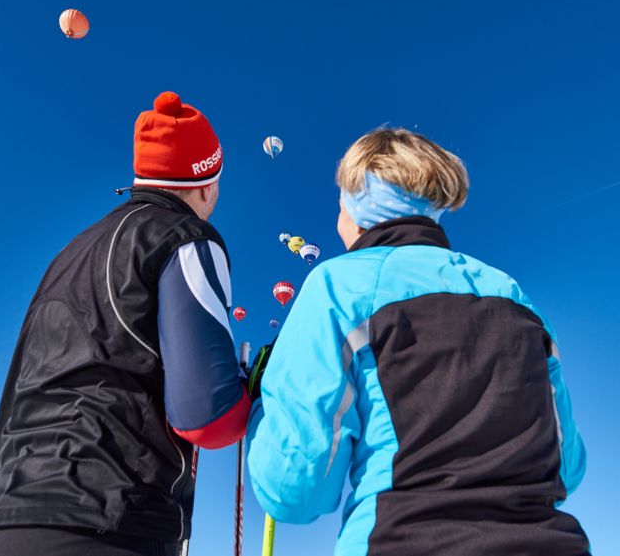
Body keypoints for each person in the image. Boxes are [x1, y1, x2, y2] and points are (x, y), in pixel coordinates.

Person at [246, 128, 590, 555]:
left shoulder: (336, 286)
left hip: (403, 539)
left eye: (339, 203)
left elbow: (295, 488)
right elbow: (567, 467)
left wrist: (262, 405)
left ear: (356, 206)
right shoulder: (510, 292)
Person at [0, 92, 251, 556]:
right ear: (207, 182)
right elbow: (208, 417)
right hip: (105, 520)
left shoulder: (69, 255)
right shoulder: (186, 239)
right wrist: (249, 385)